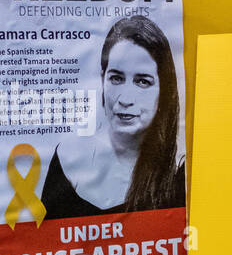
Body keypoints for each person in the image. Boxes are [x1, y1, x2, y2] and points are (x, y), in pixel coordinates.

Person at [40, 14, 185, 219]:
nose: (125, 99)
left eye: (142, 82)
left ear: (164, 89)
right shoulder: (68, 159)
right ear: (102, 79)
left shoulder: (179, 171)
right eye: (116, 78)